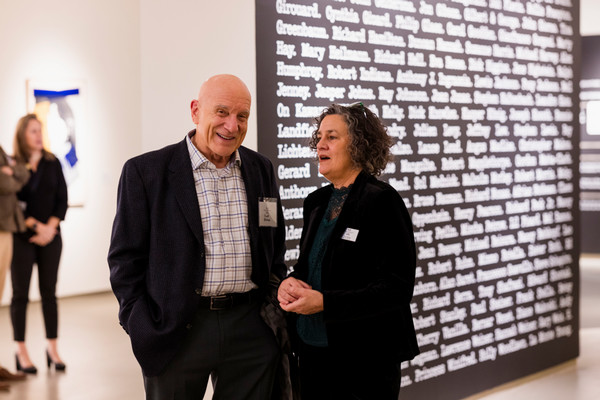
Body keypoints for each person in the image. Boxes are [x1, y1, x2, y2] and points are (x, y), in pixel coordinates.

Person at [108, 74, 287, 399]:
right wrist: (141, 325)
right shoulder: (146, 172)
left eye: (241, 116)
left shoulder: (261, 169)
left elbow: (273, 244)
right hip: (177, 329)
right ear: (195, 111)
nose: (232, 126)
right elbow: (124, 260)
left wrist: (272, 306)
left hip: (250, 327)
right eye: (222, 112)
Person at [277, 103, 420, 400]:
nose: (320, 144)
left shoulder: (382, 201)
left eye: (332, 137)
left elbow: (397, 288)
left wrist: (326, 302)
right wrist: (289, 282)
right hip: (312, 351)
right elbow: (308, 267)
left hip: (364, 359)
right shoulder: (316, 202)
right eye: (318, 137)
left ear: (359, 144)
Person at [11, 114, 68, 374]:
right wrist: (35, 226)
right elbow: (11, 204)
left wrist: (50, 228)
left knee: (49, 294)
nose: (37, 135)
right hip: (22, 237)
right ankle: (21, 351)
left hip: (51, 237)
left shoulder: (52, 162)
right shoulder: (13, 165)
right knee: (20, 295)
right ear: (22, 135)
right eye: (32, 131)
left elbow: (62, 199)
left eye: (39, 130)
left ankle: (52, 348)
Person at [0, 145, 29, 387]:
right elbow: (7, 184)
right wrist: (8, 175)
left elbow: (22, 173)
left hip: (6, 229)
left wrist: (10, 171)